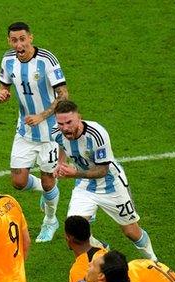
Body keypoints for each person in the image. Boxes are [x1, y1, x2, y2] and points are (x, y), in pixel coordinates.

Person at [52, 100, 158, 261]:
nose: (65, 127)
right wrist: (60, 163)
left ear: (79, 118)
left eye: (69, 122)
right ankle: (101, 250)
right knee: (73, 232)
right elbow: (62, 145)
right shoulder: (56, 132)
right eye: (61, 123)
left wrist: (74, 174)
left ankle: (154, 262)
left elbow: (102, 170)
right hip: (85, 185)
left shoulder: (96, 134)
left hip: (111, 184)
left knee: (131, 232)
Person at [0, 22, 69, 243]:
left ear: (30, 38)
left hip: (49, 133)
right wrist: (2, 93)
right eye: (14, 40)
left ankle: (50, 220)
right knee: (18, 181)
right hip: (25, 130)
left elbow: (64, 95)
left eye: (22, 39)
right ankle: (48, 196)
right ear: (9, 41)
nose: (19, 44)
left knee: (49, 180)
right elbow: (5, 85)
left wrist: (42, 116)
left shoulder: (46, 60)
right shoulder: (8, 60)